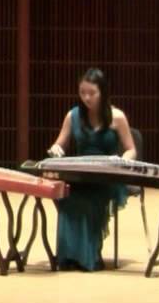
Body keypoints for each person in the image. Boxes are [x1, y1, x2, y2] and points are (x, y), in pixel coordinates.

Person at [46, 67, 137, 271]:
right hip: (81, 177)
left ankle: (89, 256)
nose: (86, 98)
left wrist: (122, 160)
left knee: (88, 202)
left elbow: (131, 149)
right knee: (67, 197)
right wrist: (56, 149)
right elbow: (59, 144)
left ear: (102, 92)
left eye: (92, 93)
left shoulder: (117, 117)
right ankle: (69, 256)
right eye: (82, 92)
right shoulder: (73, 116)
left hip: (106, 179)